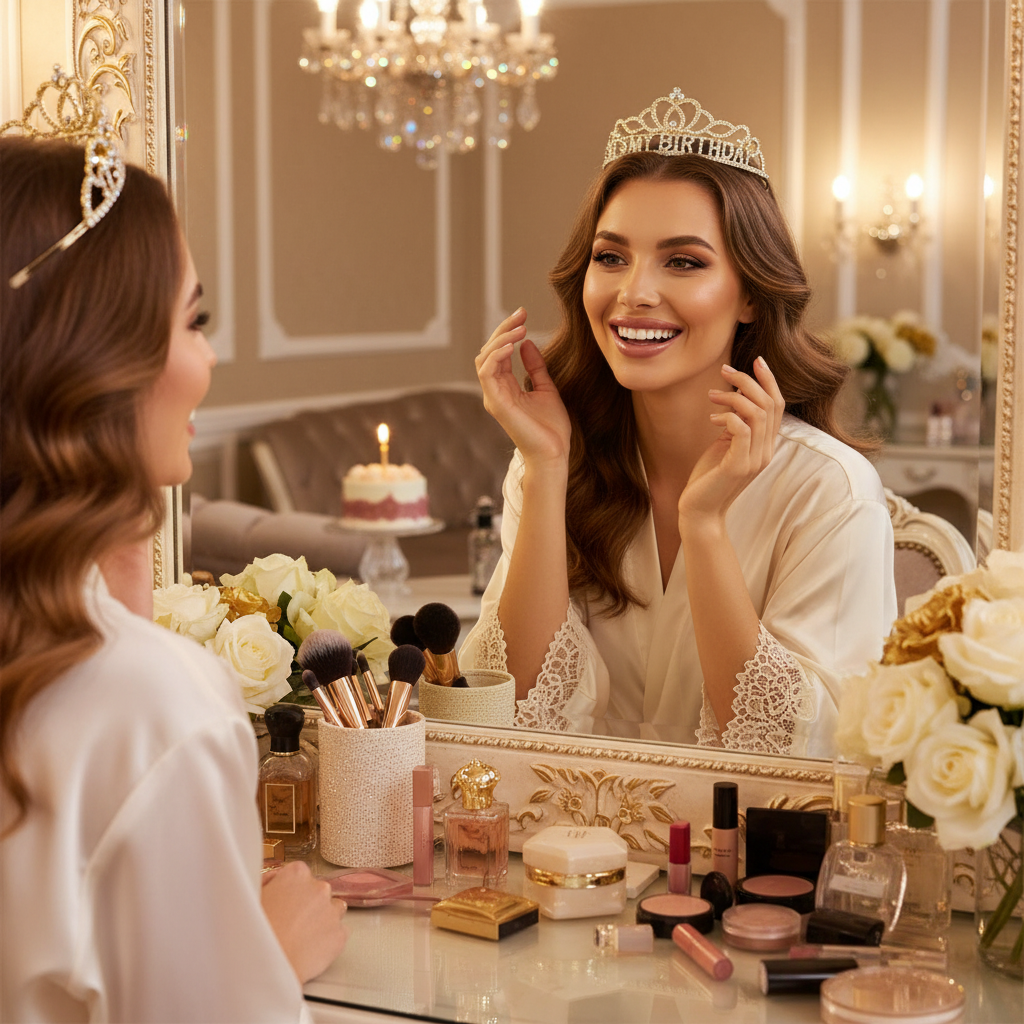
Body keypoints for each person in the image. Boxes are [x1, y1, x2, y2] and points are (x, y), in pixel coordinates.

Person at [0, 97, 346, 1022]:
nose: (212, 358)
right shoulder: (155, 710)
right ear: (97, 361)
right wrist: (265, 960)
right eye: (194, 321)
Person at [463, 90, 896, 757]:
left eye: (684, 261)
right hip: (564, 823)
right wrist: (546, 470)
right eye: (611, 257)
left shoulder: (831, 490)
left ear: (750, 294)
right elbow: (511, 712)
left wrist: (705, 522)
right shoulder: (550, 462)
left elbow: (797, 753)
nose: (634, 292)